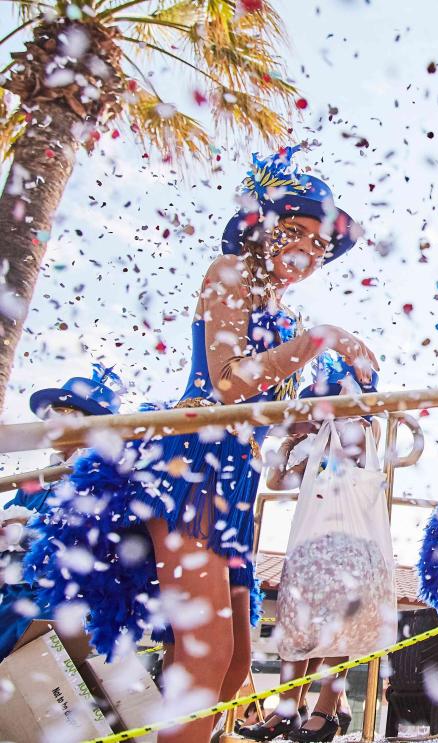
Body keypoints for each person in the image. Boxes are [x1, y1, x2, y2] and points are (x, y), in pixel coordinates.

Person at [24, 146, 376, 743]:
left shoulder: (287, 317)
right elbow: (227, 382)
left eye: (319, 244)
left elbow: (262, 409)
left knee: (234, 666)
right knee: (205, 651)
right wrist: (323, 339)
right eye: (294, 231)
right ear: (261, 227)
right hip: (190, 465)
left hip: (236, 479)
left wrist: (319, 417)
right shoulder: (228, 273)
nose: (307, 251)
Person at [239, 354, 377, 742]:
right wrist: (292, 444)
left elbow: (358, 454)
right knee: (298, 623)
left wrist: (345, 416)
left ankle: (326, 710)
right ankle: (288, 707)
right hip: (309, 541)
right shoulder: (311, 444)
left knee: (339, 625)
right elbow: (277, 482)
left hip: (348, 542)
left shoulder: (360, 432)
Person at [0, 365, 123, 662]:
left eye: (64, 413)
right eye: (52, 413)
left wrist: (24, 530)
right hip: (13, 599)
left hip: (60, 605)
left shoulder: (105, 481)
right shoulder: (38, 478)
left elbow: (90, 545)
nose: (52, 421)